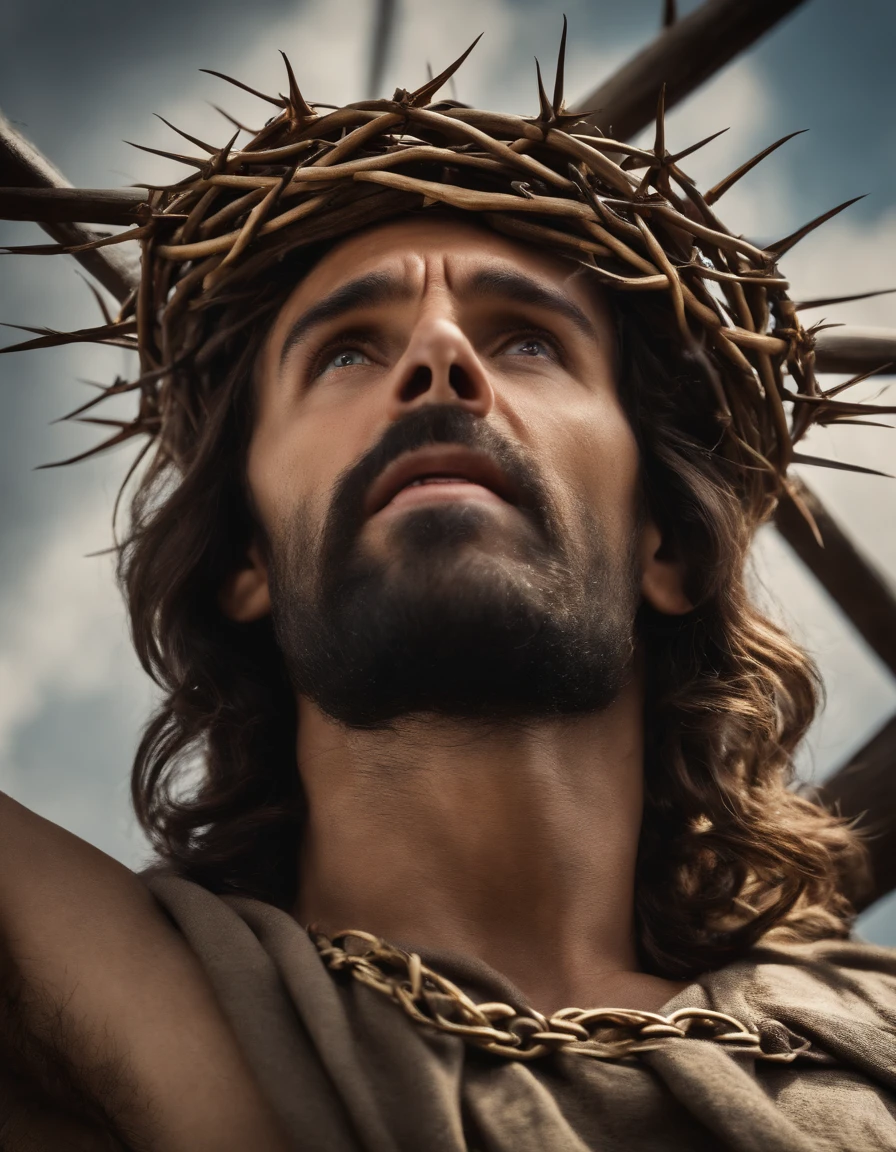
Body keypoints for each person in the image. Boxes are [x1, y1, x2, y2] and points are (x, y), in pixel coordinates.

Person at [2, 33, 896, 1152]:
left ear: (664, 543)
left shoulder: (874, 1038)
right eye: (341, 353)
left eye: (527, 340)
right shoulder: (97, 983)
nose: (437, 354)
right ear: (246, 559)